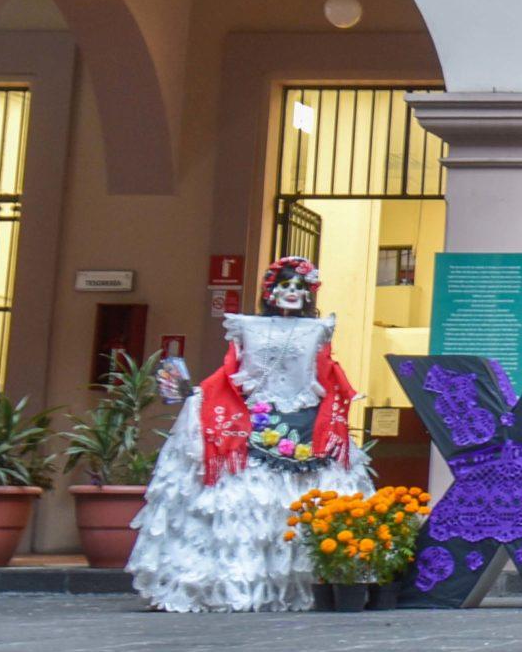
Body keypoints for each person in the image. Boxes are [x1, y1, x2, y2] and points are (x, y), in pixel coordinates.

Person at [129, 257, 373, 611]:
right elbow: (233, 371)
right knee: (240, 505)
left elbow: (322, 375)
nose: (292, 293)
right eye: (286, 286)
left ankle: (309, 581)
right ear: (270, 291)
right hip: (254, 415)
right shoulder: (245, 326)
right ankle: (235, 582)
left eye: (299, 288)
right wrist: (206, 396)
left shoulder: (319, 329)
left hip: (305, 415)